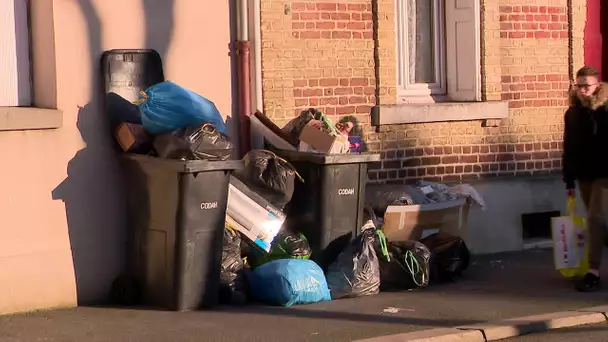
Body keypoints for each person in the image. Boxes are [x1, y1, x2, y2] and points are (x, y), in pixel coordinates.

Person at [563, 66, 608, 292]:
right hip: (584, 174)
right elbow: (568, 147)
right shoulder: (572, 113)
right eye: (579, 86)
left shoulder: (605, 110)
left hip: (605, 174)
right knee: (600, 224)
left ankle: (593, 272)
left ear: (597, 86)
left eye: (587, 86)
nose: (582, 90)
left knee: (595, 219)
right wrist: (568, 179)